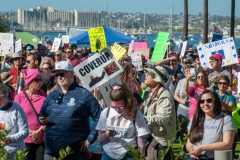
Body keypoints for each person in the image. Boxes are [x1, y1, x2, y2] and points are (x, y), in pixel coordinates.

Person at [39, 61, 102, 160]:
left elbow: (100, 116)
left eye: (62, 74)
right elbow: (41, 115)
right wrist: (42, 119)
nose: (59, 77)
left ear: (72, 74)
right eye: (57, 74)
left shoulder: (84, 94)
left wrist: (90, 139)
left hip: (76, 151)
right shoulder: (52, 94)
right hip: (52, 150)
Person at [96, 84, 150, 160]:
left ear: (127, 101)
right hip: (108, 154)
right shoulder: (105, 113)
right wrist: (106, 134)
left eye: (120, 106)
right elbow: (100, 140)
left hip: (128, 154)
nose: (117, 109)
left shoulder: (136, 114)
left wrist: (140, 156)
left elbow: (141, 139)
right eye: (113, 106)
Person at [186, 90, 235, 160]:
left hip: (216, 157)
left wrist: (202, 148)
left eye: (209, 100)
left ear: (216, 102)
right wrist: (191, 150)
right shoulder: (195, 119)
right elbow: (189, 142)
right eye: (202, 101)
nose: (205, 104)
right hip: (194, 158)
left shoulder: (226, 119)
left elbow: (227, 144)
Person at [142, 65, 176, 160]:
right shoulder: (151, 93)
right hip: (151, 139)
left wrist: (141, 119)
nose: (146, 75)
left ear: (157, 79)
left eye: (149, 74)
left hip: (159, 142)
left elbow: (162, 119)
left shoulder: (164, 95)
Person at [14, 69, 46, 160]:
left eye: (40, 80)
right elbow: (16, 117)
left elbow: (49, 117)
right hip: (25, 140)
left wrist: (38, 132)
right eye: (36, 80)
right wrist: (31, 133)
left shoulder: (45, 97)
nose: (39, 82)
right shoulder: (20, 97)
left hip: (40, 140)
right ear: (29, 81)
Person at [0, 83, 28, 160]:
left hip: (15, 154)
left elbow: (25, 131)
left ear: (5, 95)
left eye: (0, 99)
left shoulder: (16, 109)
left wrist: (10, 139)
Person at [174, 65, 194, 143]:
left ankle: (191, 148)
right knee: (182, 130)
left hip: (193, 109)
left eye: (190, 70)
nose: (189, 73)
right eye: (187, 71)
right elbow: (175, 95)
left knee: (192, 130)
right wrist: (182, 101)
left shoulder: (196, 81)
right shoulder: (181, 81)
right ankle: (183, 149)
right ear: (184, 72)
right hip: (182, 108)